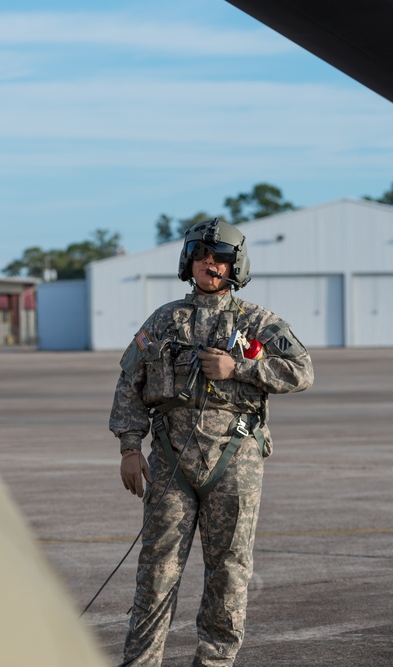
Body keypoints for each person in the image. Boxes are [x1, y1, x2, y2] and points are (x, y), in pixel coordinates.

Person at [109, 218, 313, 666]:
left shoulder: (257, 322)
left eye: (220, 258)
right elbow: (130, 383)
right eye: (203, 257)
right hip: (169, 464)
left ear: (234, 266)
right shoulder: (163, 321)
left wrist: (239, 368)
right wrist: (129, 447)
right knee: (156, 574)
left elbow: (301, 371)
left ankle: (215, 662)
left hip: (234, 462)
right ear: (189, 262)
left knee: (229, 574)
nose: (210, 265)